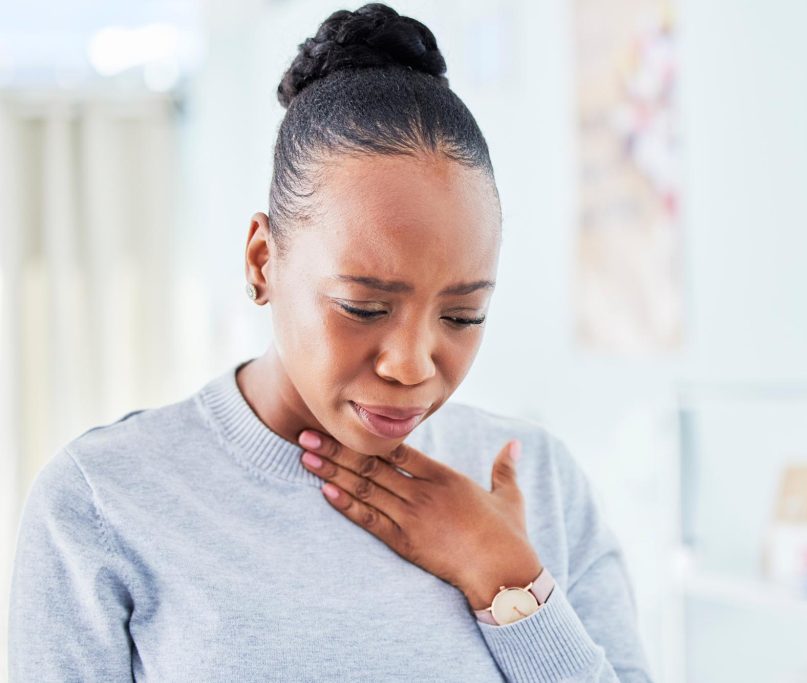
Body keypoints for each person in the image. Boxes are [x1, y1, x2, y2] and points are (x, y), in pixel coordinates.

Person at [7, 4, 652, 681]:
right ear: (263, 262)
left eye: (463, 315)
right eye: (364, 306)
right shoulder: (101, 500)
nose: (412, 364)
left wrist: (502, 573)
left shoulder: (539, 480)